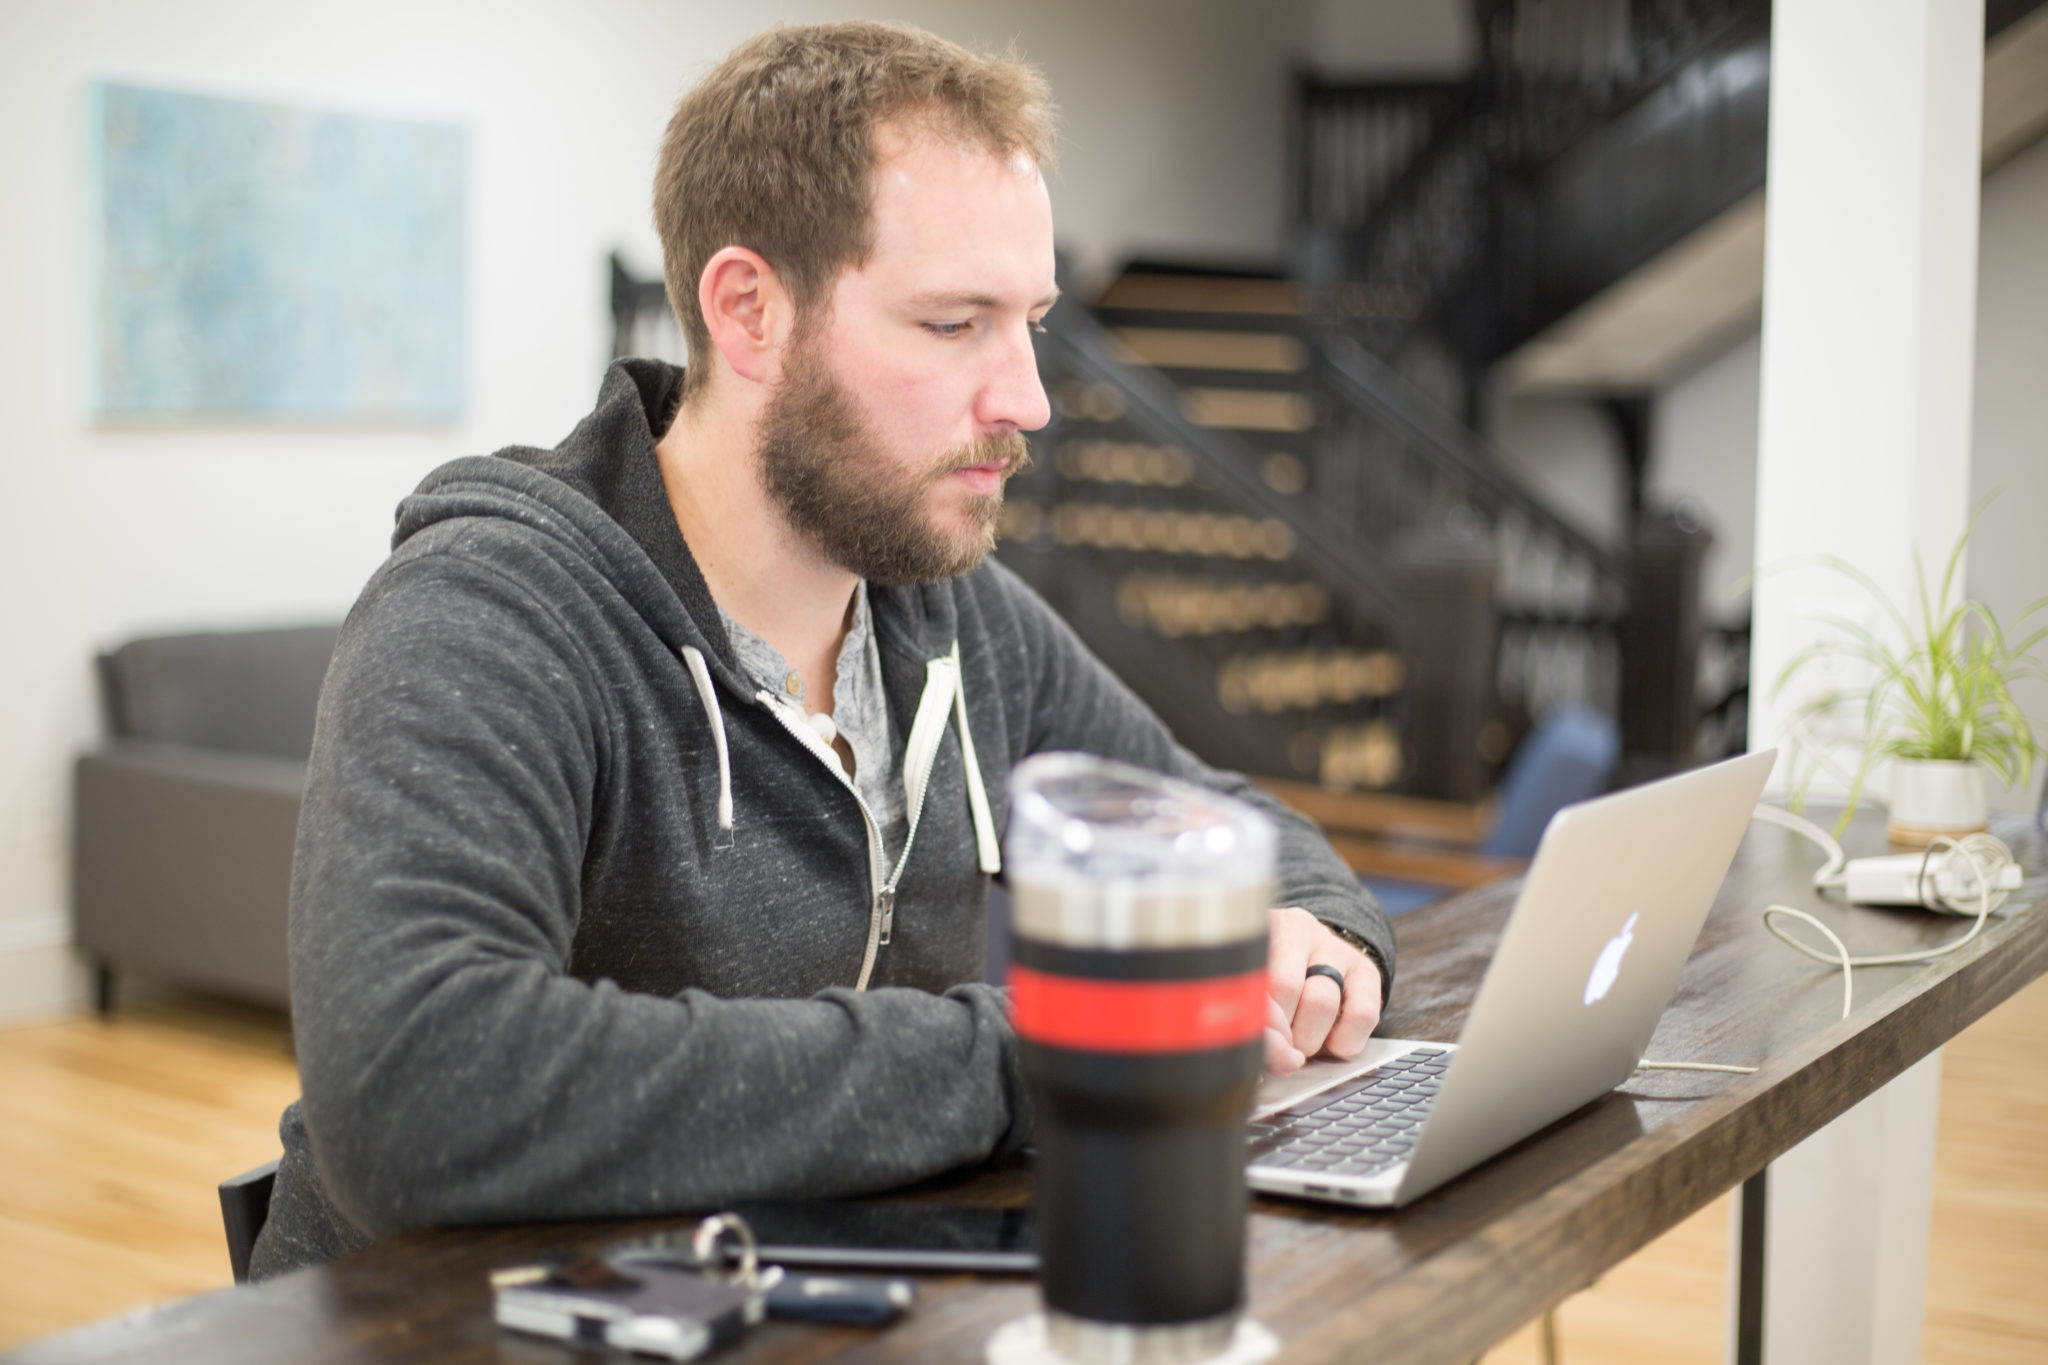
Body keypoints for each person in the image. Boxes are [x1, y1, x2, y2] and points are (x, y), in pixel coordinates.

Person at [249, 20, 1392, 1279]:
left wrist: (1314, 928)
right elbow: (415, 1092)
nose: (1027, 400)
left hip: (805, 1306)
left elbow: (1215, 816)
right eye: (954, 323)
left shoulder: (946, 610)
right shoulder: (491, 612)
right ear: (747, 310)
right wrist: (1040, 1053)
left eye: (1032, 322)